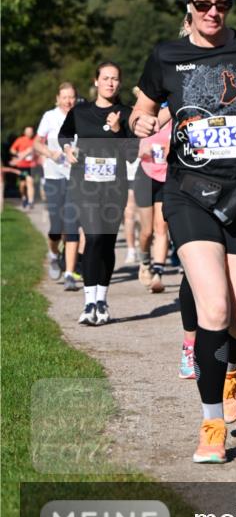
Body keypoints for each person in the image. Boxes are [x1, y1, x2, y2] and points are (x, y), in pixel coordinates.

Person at [131, 0, 236, 463]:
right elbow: (143, 106)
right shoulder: (166, 56)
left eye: (222, 4)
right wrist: (142, 119)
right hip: (188, 192)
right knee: (214, 310)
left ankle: (229, 371)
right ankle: (211, 426)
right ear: (189, 8)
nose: (213, 12)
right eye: (203, 5)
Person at [59, 63, 135, 325]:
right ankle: (89, 301)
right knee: (92, 237)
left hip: (114, 187)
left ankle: (102, 299)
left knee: (106, 242)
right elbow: (64, 135)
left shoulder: (126, 113)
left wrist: (118, 130)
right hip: (85, 184)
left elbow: (132, 154)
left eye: (115, 79)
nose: (110, 83)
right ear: (96, 81)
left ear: (119, 83)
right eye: (105, 78)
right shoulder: (80, 111)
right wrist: (68, 149)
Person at [34, 82, 82, 288]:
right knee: (56, 227)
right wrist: (50, 153)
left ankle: (70, 273)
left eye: (71, 97)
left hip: (75, 177)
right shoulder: (49, 117)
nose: (68, 101)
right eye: (65, 97)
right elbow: (36, 143)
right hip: (53, 175)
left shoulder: (81, 115)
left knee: (72, 224)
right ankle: (54, 254)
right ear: (58, 99)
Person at [135, 108, 171, 293]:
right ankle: (144, 261)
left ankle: (158, 273)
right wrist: (142, 150)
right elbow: (134, 147)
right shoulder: (147, 119)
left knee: (161, 227)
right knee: (147, 232)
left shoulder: (176, 117)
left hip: (166, 178)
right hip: (146, 176)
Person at [10, 126, 38, 209]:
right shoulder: (20, 140)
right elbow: (12, 149)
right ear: (25, 133)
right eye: (28, 132)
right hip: (22, 166)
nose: (30, 133)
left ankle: (31, 201)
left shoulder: (35, 141)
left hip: (31, 165)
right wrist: (18, 154)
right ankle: (24, 197)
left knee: (30, 181)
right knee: (22, 184)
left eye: (31, 132)